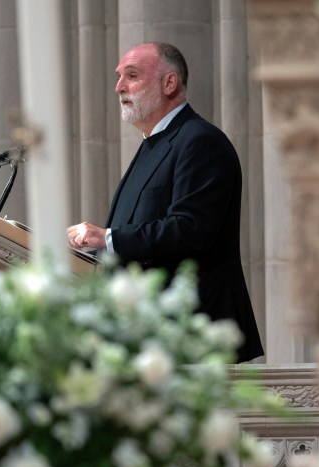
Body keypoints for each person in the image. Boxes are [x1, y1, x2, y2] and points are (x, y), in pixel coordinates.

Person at [67, 41, 263, 363]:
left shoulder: (199, 141)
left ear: (169, 83)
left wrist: (108, 238)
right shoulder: (154, 144)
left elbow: (190, 229)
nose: (119, 87)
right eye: (119, 77)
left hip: (195, 333)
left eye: (132, 76)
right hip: (153, 335)